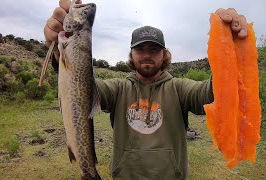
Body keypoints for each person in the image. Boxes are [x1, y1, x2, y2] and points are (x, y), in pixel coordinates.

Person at [44, 0, 248, 179]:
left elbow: (214, 94)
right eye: (140, 49)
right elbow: (82, 90)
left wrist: (231, 49)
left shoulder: (179, 88)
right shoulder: (119, 88)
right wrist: (60, 55)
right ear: (131, 54)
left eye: (154, 49)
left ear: (164, 54)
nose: (147, 55)